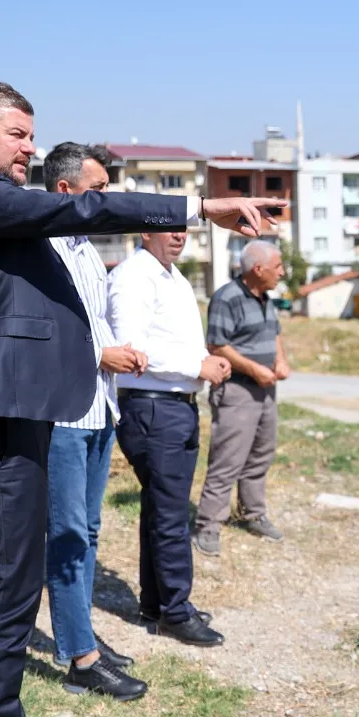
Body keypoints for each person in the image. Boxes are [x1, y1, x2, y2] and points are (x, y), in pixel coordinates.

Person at [0, 79, 276, 717]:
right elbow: (80, 207)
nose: (30, 150)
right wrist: (199, 206)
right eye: (18, 136)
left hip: (4, 415)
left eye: (33, 137)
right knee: (7, 589)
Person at [41, 142, 148, 703]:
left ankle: (84, 637)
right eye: (99, 189)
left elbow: (93, 323)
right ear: (66, 191)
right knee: (65, 535)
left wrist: (118, 352)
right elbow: (42, 339)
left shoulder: (85, 249)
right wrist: (96, 356)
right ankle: (81, 657)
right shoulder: (41, 249)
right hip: (62, 415)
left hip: (100, 407)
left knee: (88, 532)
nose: (106, 199)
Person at [107, 231, 232, 648]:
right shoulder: (132, 276)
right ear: (146, 231)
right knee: (171, 516)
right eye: (169, 227)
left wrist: (201, 366)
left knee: (161, 509)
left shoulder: (172, 276)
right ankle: (175, 612)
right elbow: (131, 349)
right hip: (153, 407)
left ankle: (156, 603)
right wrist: (197, 365)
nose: (179, 236)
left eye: (184, 228)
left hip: (174, 406)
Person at [193, 240, 292, 556]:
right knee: (227, 460)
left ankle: (253, 513)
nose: (283, 272)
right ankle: (208, 525)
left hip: (266, 388)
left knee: (261, 454)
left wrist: (280, 361)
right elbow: (217, 346)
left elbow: (274, 333)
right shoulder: (227, 298)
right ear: (258, 269)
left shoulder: (266, 297)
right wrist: (254, 370)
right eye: (278, 266)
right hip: (237, 389)